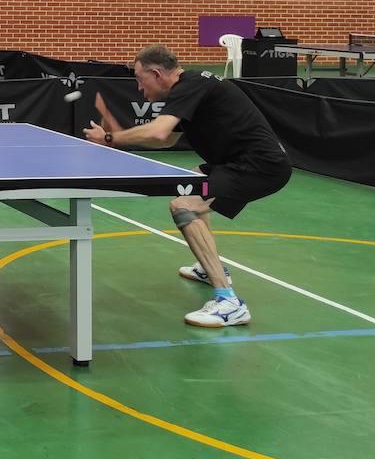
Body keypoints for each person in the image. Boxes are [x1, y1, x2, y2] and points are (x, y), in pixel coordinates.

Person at [82, 44, 291, 328]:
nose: (140, 89)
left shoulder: (190, 85)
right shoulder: (191, 87)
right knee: (191, 184)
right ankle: (210, 268)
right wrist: (117, 138)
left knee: (183, 207)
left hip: (258, 166)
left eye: (140, 80)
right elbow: (168, 139)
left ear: (156, 73)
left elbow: (158, 133)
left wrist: (109, 138)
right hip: (237, 161)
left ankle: (229, 303)